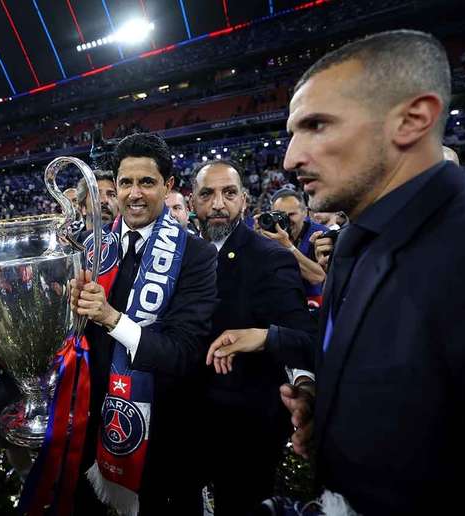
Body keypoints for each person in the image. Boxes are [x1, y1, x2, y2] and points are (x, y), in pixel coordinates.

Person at [208, 30, 465, 514]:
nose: (290, 159)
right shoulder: (356, 239)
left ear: (413, 119)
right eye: (292, 132)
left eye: (317, 126)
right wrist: (326, 404)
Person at [72, 133, 217, 515]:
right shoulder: (91, 248)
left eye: (147, 182)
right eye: (125, 183)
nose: (134, 194)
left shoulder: (196, 254)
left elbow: (184, 353)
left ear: (168, 186)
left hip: (166, 434)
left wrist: (111, 318)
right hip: (94, 423)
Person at [191, 161, 315, 515]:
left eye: (228, 193)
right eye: (207, 194)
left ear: (244, 201)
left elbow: (307, 340)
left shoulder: (270, 258)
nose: (218, 204)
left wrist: (263, 337)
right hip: (189, 421)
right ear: (193, 201)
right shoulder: (179, 258)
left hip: (248, 430)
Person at [258, 189, 327, 304]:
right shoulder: (267, 235)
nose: (286, 220)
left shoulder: (320, 234)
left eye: (291, 214)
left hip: (312, 304)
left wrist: (286, 245)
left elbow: (317, 277)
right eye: (280, 215)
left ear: (305, 213)